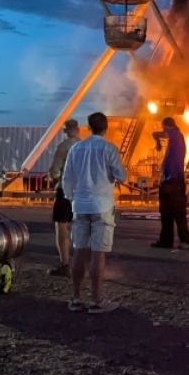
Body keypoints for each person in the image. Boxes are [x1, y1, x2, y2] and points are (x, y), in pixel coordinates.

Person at [61, 112, 126, 314]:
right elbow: (121, 176)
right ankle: (97, 300)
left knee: (80, 251)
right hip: (102, 206)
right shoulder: (109, 149)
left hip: (80, 206)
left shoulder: (76, 148)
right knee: (98, 253)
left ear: (88, 127)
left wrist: (73, 199)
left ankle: (76, 298)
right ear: (106, 128)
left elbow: (67, 179)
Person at [47, 119, 82, 277]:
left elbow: (54, 171)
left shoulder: (63, 147)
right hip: (83, 193)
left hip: (65, 191)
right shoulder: (86, 147)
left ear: (67, 131)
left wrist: (55, 176)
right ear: (79, 130)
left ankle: (65, 264)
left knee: (62, 227)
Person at [150, 117, 189, 250]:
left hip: (172, 182)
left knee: (169, 213)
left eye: (164, 127)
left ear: (166, 126)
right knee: (175, 213)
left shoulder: (175, 134)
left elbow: (161, 133)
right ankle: (180, 241)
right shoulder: (178, 138)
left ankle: (168, 241)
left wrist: (156, 137)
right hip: (175, 181)